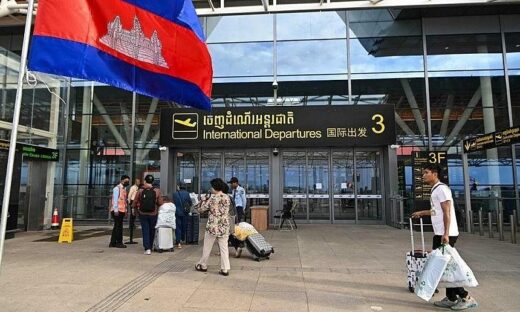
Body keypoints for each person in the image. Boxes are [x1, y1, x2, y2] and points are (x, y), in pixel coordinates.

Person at [412, 164, 478, 310]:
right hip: (440, 233)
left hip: (446, 234)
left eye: (426, 173)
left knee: (447, 266)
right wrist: (422, 213)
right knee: (444, 267)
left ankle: (466, 297)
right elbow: (437, 211)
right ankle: (451, 297)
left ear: (435, 174)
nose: (423, 175)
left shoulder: (442, 189)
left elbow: (447, 212)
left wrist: (446, 234)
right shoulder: (436, 189)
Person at [195, 178, 231, 276]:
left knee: (207, 247)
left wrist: (202, 200)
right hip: (224, 226)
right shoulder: (227, 197)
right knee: (224, 248)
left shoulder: (213, 198)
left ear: (215, 187)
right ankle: (225, 268)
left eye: (211, 186)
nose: (210, 188)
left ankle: (203, 265)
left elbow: (201, 209)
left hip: (213, 226)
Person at [133, 175, 163, 255]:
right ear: (153, 182)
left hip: (142, 213)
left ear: (145, 181)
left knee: (145, 230)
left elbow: (135, 201)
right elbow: (160, 202)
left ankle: (147, 248)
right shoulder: (157, 190)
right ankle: (150, 245)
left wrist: (134, 208)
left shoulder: (141, 190)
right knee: (152, 229)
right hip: (153, 213)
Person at [109, 175, 130, 248]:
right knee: (119, 227)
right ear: (122, 180)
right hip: (117, 211)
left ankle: (112, 242)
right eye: (126, 181)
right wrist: (115, 210)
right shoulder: (117, 188)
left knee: (117, 227)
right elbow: (115, 200)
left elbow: (124, 201)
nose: (127, 182)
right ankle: (119, 242)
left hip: (121, 210)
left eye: (128, 181)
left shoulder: (124, 189)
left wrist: (126, 210)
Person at [172, 183, 192, 249]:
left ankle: (178, 242)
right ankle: (183, 238)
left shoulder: (175, 194)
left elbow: (173, 203)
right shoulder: (187, 193)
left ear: (179, 187)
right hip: (185, 212)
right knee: (184, 225)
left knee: (178, 227)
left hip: (177, 212)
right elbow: (190, 202)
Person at [126, 178, 141, 244]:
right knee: (132, 214)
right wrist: (129, 202)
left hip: (135, 201)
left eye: (139, 181)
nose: (139, 182)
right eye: (138, 181)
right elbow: (130, 195)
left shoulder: (138, 188)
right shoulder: (133, 187)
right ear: (135, 182)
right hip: (132, 201)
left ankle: (133, 224)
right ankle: (131, 225)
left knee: (134, 214)